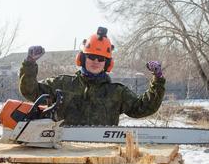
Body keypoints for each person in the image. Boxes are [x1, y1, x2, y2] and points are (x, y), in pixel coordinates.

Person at [19, 27, 165, 126]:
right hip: (61, 150)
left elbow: (142, 108)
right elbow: (30, 91)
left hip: (102, 154)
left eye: (101, 59)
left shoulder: (117, 92)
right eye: (92, 57)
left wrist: (157, 79)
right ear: (82, 58)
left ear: (107, 64)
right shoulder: (62, 84)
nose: (96, 61)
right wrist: (29, 63)